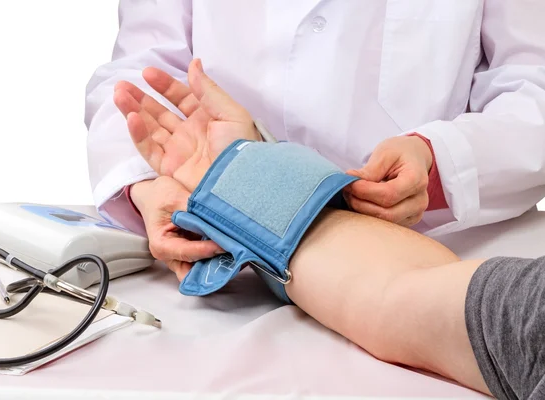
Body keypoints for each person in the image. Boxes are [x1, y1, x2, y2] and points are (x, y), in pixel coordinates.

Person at [114, 58, 545, 399]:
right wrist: (155, 186)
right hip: (304, 250)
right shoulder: (525, 316)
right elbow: (412, 298)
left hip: (429, 236)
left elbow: (532, 84)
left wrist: (245, 189)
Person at [85, 1, 545, 280]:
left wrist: (439, 160)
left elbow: (533, 87)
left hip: (428, 250)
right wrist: (147, 182)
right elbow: (140, 72)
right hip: (220, 246)